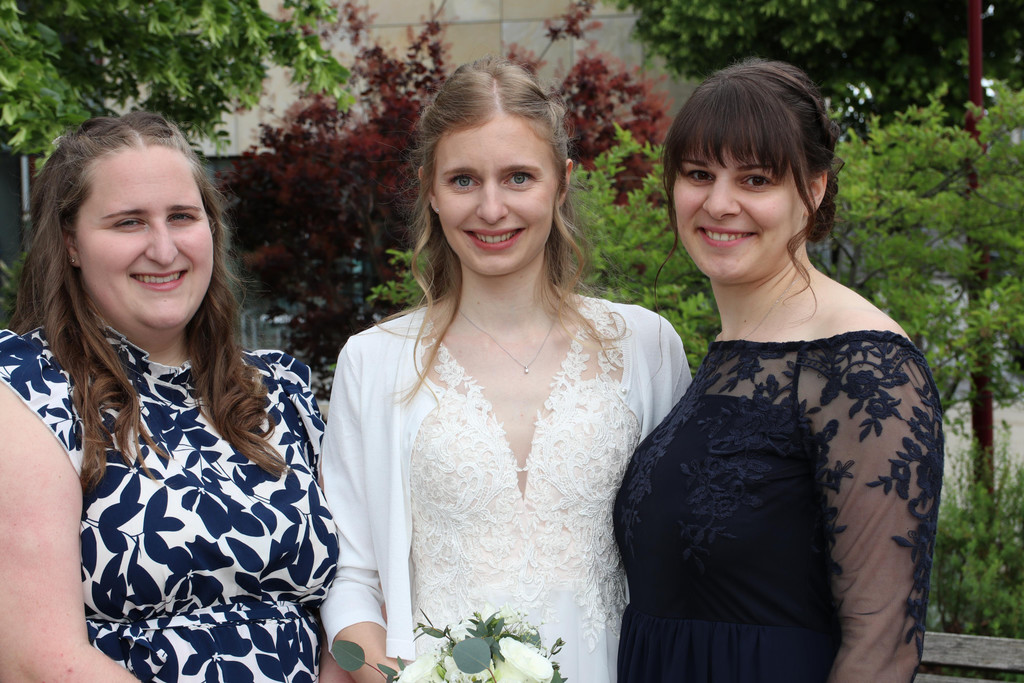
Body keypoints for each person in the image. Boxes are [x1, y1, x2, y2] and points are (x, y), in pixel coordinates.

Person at [317, 56, 690, 683]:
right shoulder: (373, 361)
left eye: (519, 177)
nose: (491, 209)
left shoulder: (646, 346)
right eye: (463, 180)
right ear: (430, 190)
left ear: (562, 183)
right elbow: (348, 578)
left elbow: (685, 549)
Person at [613, 58, 945, 682]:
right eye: (699, 174)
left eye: (756, 179)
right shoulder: (729, 354)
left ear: (813, 190)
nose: (719, 203)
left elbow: (881, 648)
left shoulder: (862, 366)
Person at [0, 112, 342, 682]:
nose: (163, 249)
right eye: (129, 222)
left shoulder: (280, 390)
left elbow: (353, 596)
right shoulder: (25, 389)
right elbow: (36, 660)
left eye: (182, 216)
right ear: (71, 244)